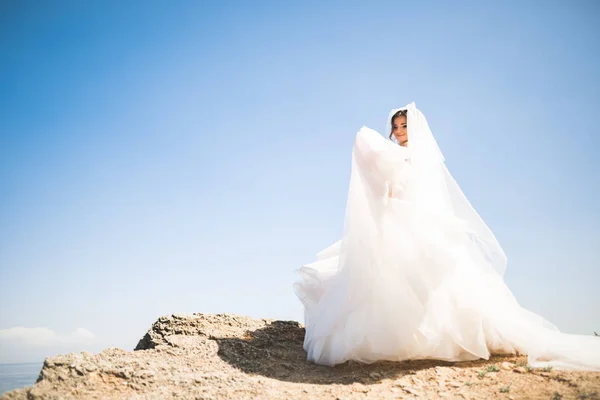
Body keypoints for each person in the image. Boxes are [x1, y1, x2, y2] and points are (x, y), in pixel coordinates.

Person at [294, 102, 600, 370]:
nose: (400, 131)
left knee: (432, 282)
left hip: (415, 222)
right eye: (396, 127)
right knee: (380, 280)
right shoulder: (392, 155)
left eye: (404, 126)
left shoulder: (421, 159)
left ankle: (440, 336)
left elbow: (426, 196)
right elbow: (384, 187)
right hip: (393, 219)